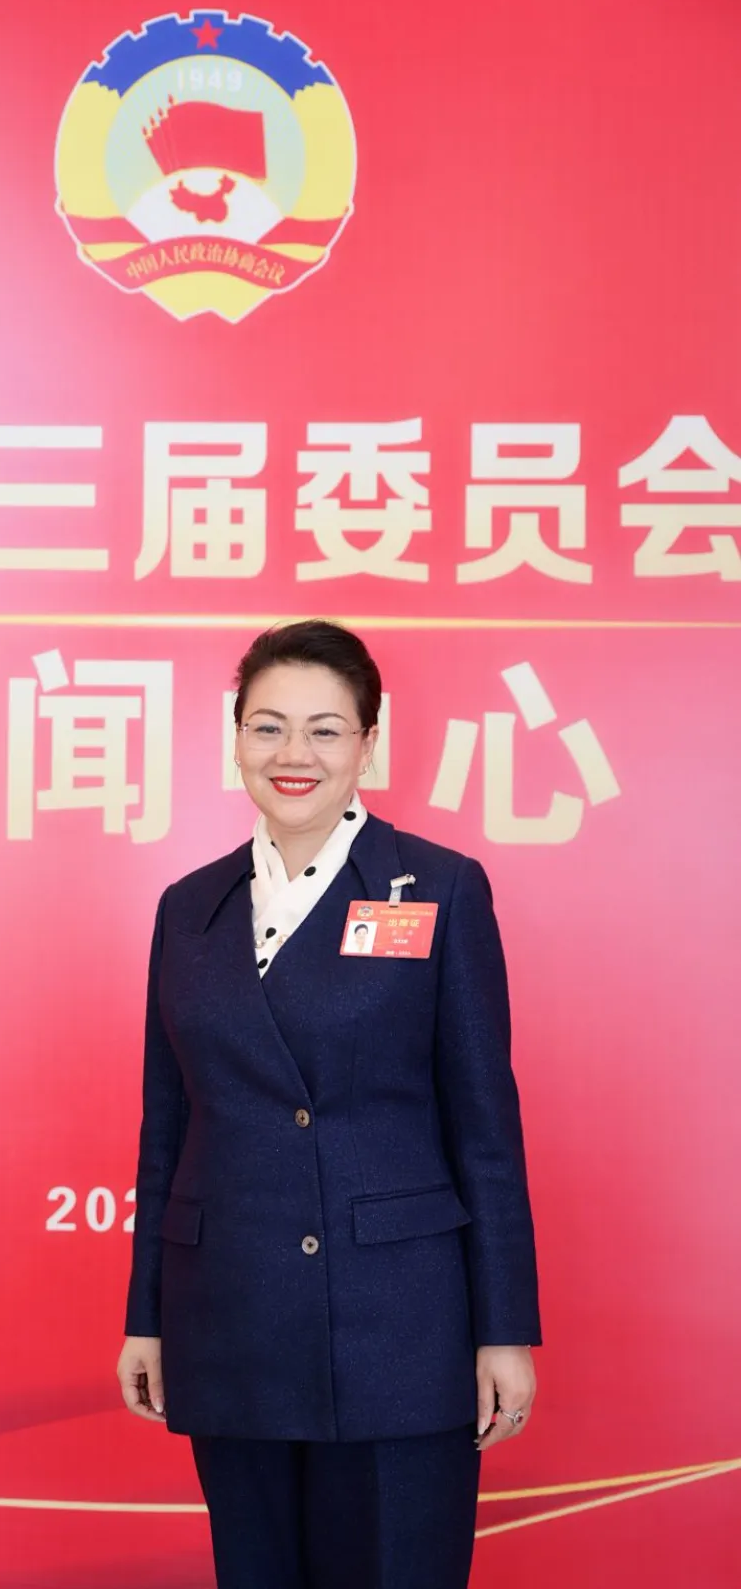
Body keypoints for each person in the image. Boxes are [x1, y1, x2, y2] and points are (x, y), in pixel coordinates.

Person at [117, 619, 541, 1589]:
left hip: (399, 1322)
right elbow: (166, 1126)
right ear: (236, 738)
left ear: (368, 742)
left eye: (324, 729)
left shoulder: (437, 888)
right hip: (232, 1313)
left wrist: (504, 1327)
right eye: (268, 727)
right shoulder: (189, 906)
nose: (293, 754)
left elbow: (485, 1129)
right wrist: (148, 1314)